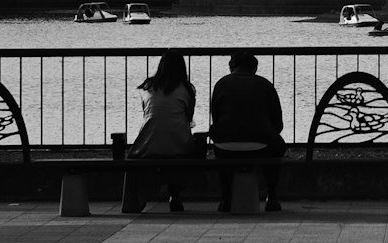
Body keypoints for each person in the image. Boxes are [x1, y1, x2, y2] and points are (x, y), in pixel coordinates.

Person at [210, 50, 287, 214]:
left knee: (223, 148)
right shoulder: (265, 85)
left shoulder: (221, 84)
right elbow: (278, 124)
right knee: (276, 146)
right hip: (260, 147)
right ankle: (272, 195)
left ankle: (226, 198)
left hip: (226, 147)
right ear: (255, 68)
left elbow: (216, 119)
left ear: (231, 66)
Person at [123, 50, 197, 214]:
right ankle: (175, 195)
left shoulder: (147, 87)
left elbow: (147, 113)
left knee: (135, 160)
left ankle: (135, 200)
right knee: (185, 153)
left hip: (148, 144)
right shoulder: (186, 89)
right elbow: (188, 117)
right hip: (179, 144)